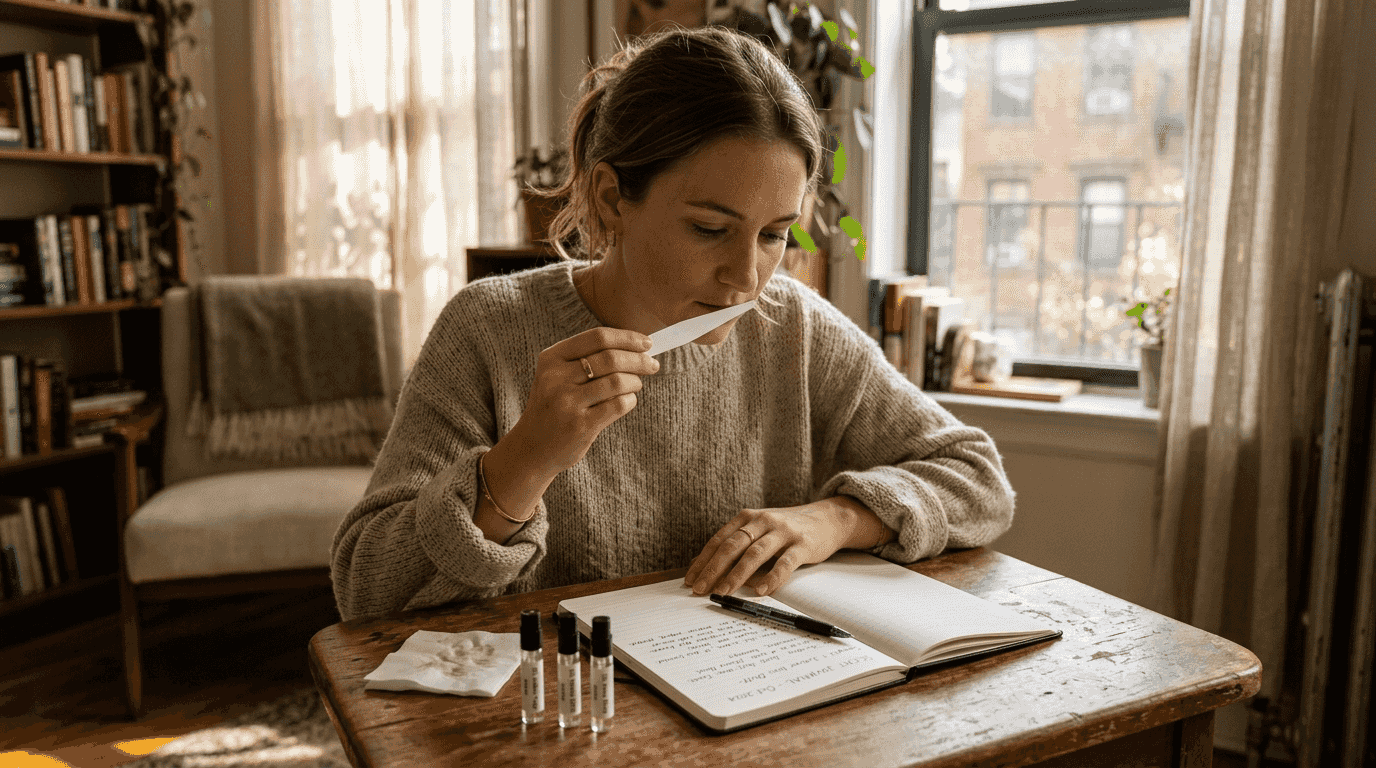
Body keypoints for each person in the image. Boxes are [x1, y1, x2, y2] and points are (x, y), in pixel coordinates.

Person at [330, 25, 1016, 622]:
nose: (747, 277)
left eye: (775, 235)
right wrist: (524, 461)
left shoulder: (793, 329)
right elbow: (366, 591)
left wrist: (833, 520)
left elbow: (977, 477)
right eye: (710, 228)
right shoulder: (488, 328)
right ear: (610, 198)